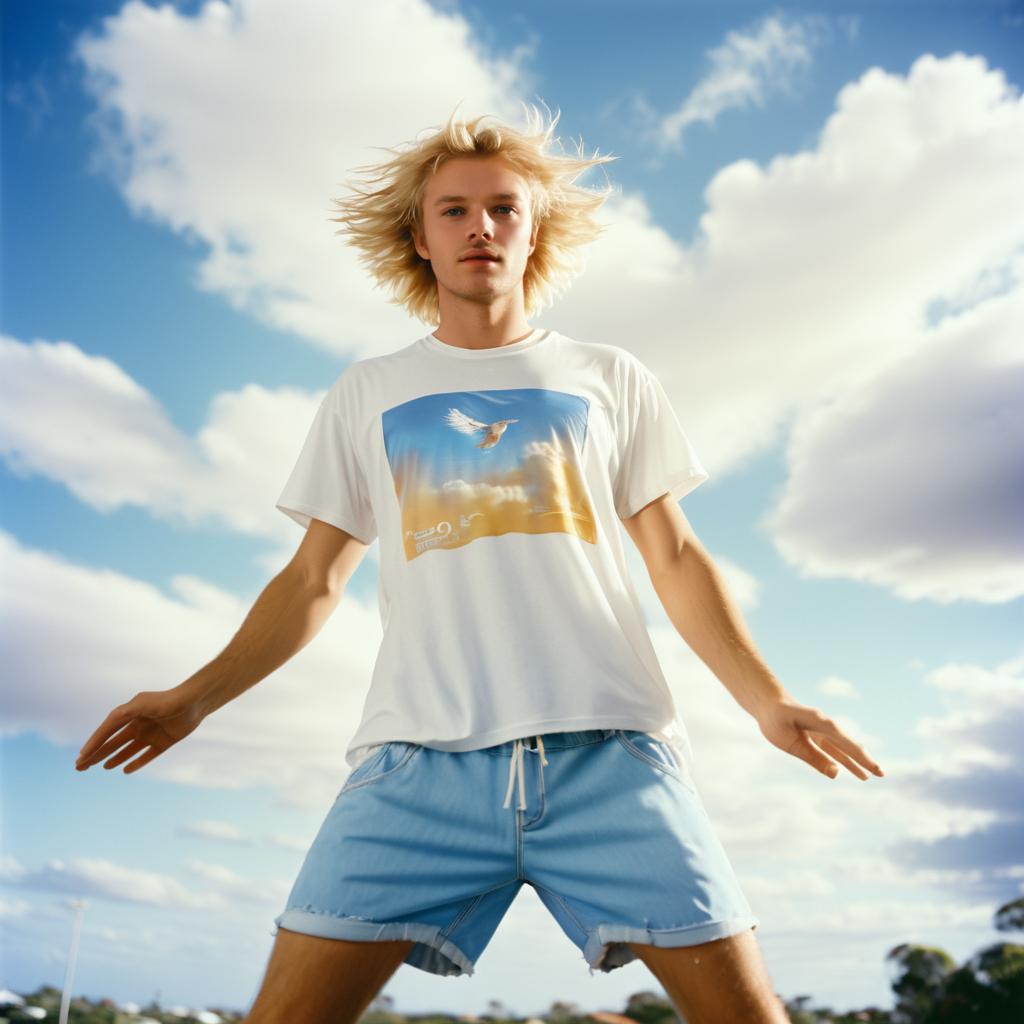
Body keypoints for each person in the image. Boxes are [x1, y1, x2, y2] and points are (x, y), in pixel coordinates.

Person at [75, 102, 885, 1024]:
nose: (481, 228)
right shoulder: (368, 391)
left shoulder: (608, 376)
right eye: (454, 210)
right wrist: (193, 697)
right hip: (416, 769)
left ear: (532, 230)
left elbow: (675, 553)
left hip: (611, 757)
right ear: (418, 237)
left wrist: (764, 700)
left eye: (503, 208)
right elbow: (312, 581)